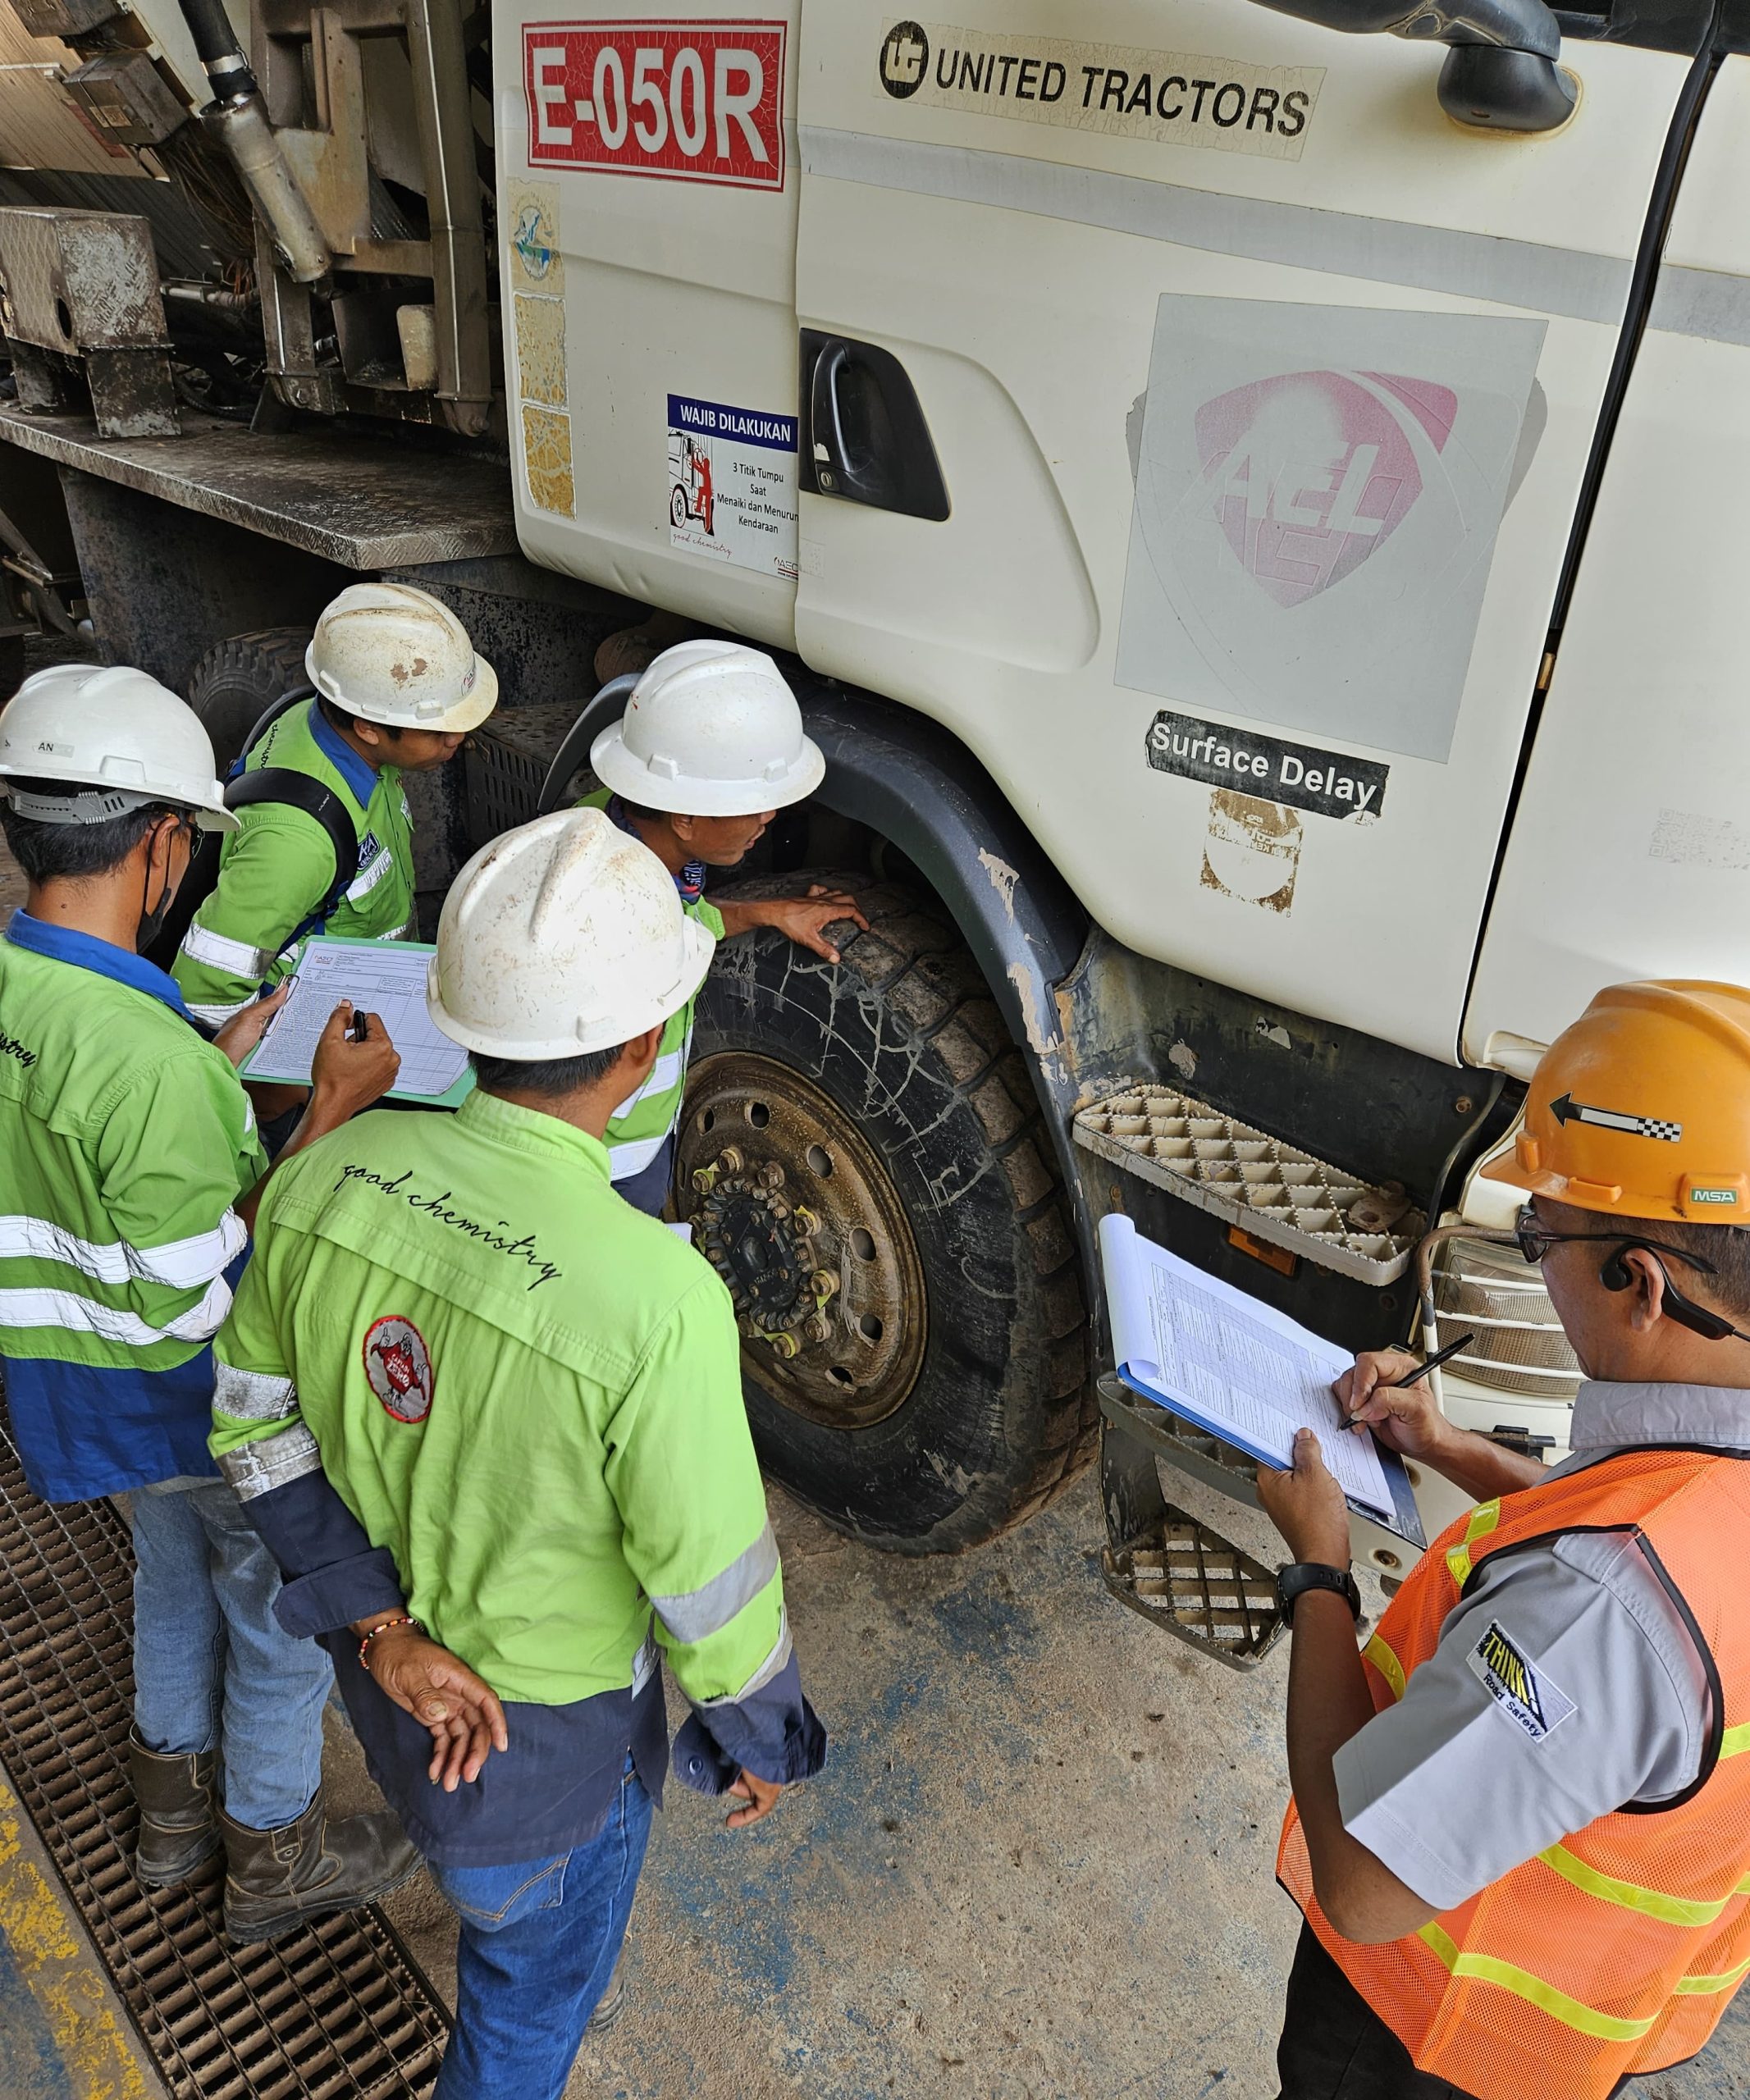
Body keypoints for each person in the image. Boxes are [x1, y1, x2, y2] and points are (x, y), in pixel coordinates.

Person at [209, 806, 827, 2098]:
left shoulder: (322, 1177)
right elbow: (706, 1581)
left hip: (394, 1696)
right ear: (646, 1045)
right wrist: (762, 1737)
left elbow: (252, 1422)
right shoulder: (657, 1300)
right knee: (527, 2016)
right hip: (546, 1765)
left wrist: (380, 1626)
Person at [1256, 979, 1750, 2100]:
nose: (1535, 1253)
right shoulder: (1705, 1464)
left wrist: (1319, 1573)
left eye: (1540, 1233)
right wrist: (1445, 1442)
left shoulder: (1597, 1614)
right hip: (1594, 2013)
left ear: (1640, 1283)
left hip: (1434, 2039)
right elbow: (1657, 1547)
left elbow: (1364, 1885)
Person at [0, 663, 418, 1943]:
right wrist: (329, 1108)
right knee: (277, 1609)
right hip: (196, 1402)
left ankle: (170, 1815)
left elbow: (95, 1155)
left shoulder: (29, 993)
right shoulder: (147, 1066)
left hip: (83, 1400)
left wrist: (215, 1065)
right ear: (163, 844)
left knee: (169, 1577)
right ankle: (273, 1849)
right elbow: (204, 1295)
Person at [581, 639, 866, 1212]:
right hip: (606, 1161)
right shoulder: (607, 910)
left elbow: (682, 920)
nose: (769, 817)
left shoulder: (617, 824)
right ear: (685, 816)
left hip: (635, 1139)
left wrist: (767, 910)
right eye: (751, 804)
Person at [171, 582, 498, 1033]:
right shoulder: (297, 845)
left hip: (380, 998)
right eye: (438, 729)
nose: (457, 739)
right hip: (327, 1035)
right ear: (367, 728)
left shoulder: (322, 724)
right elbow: (203, 998)